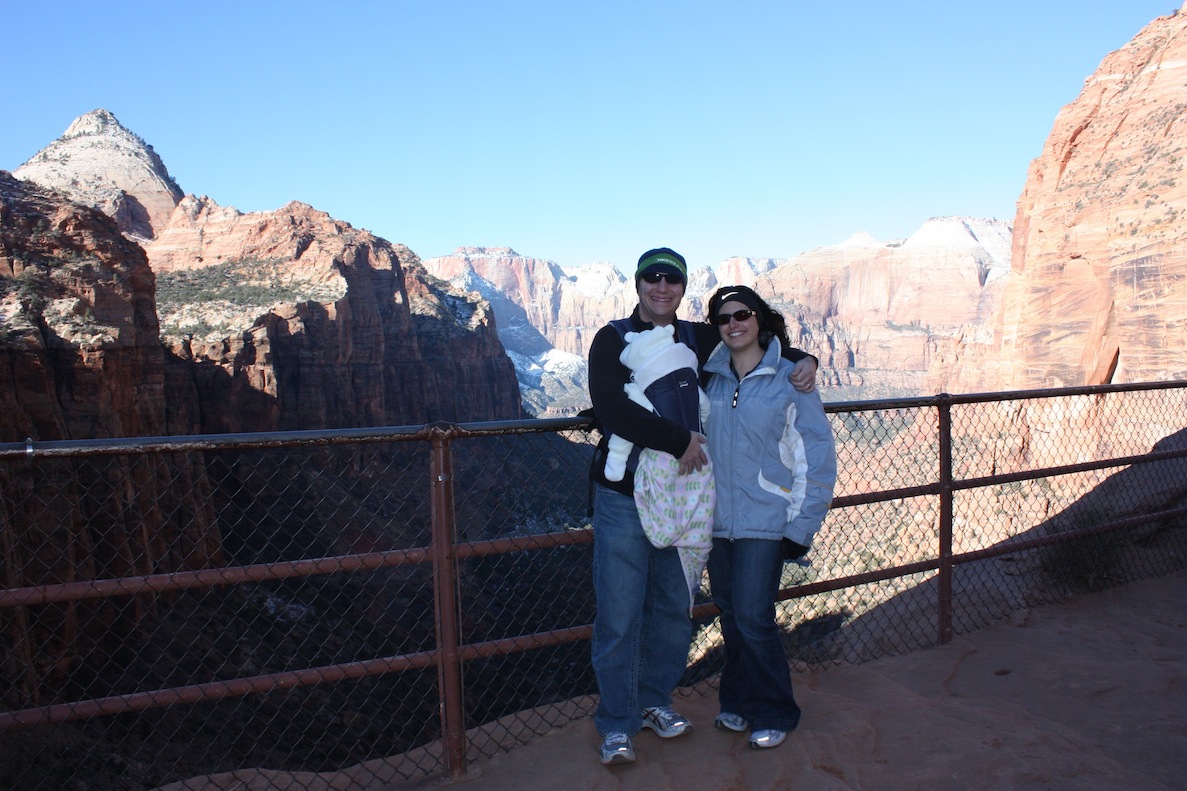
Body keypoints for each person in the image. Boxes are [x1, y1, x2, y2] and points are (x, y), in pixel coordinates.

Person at [586, 250, 818, 766]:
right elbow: (611, 408)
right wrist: (678, 441)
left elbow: (754, 339)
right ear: (638, 284)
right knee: (620, 614)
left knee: (673, 609)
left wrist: (807, 360)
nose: (662, 286)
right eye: (653, 278)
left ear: (682, 288)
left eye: (672, 279)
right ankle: (617, 724)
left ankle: (654, 701)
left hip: (685, 497)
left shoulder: (697, 336)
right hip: (624, 499)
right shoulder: (611, 337)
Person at [701, 284, 837, 750]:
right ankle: (738, 703)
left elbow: (816, 455)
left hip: (766, 520)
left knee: (754, 617)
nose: (733, 324)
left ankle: (775, 710)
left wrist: (802, 526)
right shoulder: (709, 378)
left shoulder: (789, 379)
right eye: (724, 318)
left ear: (759, 319)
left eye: (742, 314)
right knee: (731, 616)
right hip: (717, 522)